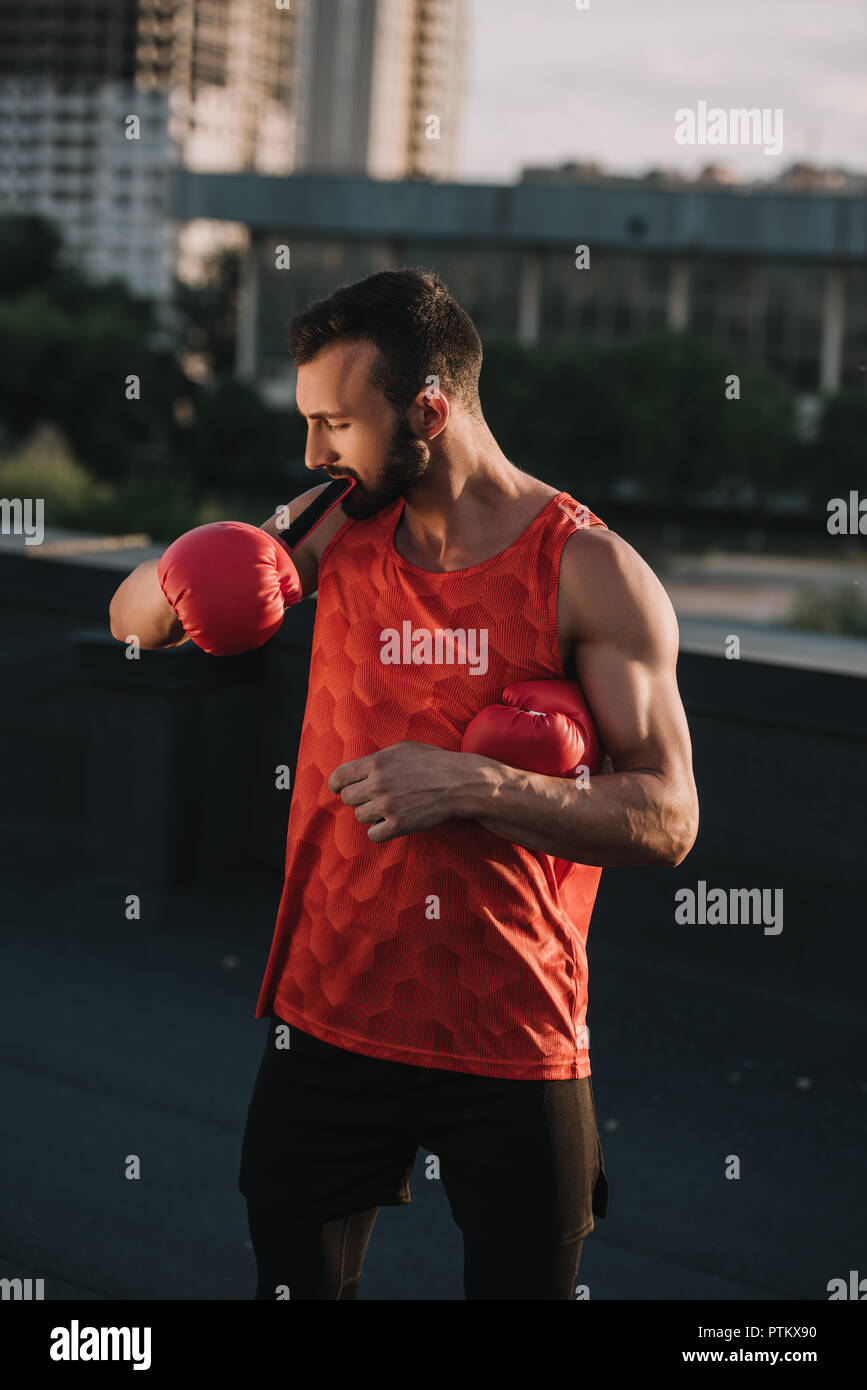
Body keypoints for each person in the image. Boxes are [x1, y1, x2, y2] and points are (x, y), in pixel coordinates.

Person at [109, 268, 699, 1300]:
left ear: (428, 408)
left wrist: (473, 782)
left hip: (513, 1031)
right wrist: (187, 578)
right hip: (329, 1008)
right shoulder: (333, 527)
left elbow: (670, 816)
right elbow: (131, 622)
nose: (312, 452)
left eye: (336, 422)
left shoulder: (590, 569)